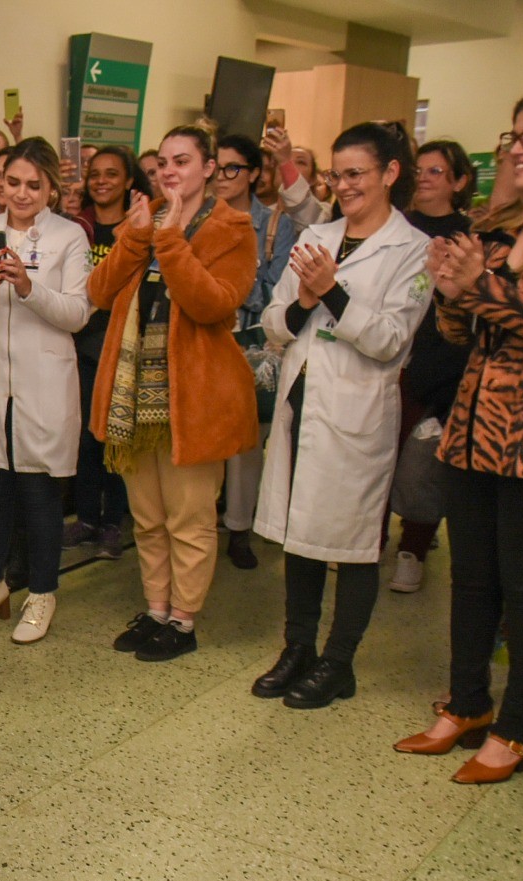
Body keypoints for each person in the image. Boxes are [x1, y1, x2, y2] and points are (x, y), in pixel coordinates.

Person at [251, 122, 431, 709]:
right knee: (300, 534)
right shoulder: (318, 234)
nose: (344, 185)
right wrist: (303, 300)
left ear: (390, 174)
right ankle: (297, 646)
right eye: (337, 174)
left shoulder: (415, 250)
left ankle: (338, 661)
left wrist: (331, 291)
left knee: (352, 542)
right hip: (302, 401)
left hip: (357, 410)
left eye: (356, 174)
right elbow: (274, 324)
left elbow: (389, 340)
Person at [393, 93, 523, 784]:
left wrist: (479, 286)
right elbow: (465, 335)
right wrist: (452, 292)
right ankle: (467, 703)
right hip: (475, 433)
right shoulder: (506, 227)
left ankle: (517, 726)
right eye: (516, 135)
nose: (518, 148)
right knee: (473, 579)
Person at [88, 125, 258, 661]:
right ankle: (156, 609)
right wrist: (138, 235)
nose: (169, 172)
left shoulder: (233, 227)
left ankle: (184, 622)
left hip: (195, 398)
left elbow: (212, 304)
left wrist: (169, 239)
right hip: (134, 391)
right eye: (163, 162)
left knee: (189, 518)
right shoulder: (147, 218)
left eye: (182, 161)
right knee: (149, 516)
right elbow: (98, 291)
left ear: (209, 168)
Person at [0, 139, 92, 641]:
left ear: (52, 187)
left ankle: (42, 594)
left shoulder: (70, 237)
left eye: (34, 184)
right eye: (13, 182)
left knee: (40, 492)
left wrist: (29, 288)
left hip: (44, 380)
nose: (22, 193)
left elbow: (76, 313)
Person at [386, 139, 476, 594]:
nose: (423, 177)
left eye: (436, 171)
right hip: (388, 359)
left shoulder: (469, 238)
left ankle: (413, 550)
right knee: (378, 457)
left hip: (441, 367)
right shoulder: (396, 227)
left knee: (421, 468)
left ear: (459, 181)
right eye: (419, 170)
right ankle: (367, 539)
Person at [216, 133, 300, 572]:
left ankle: (239, 527)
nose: (223, 176)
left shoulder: (273, 223)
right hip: (203, 335)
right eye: (217, 165)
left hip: (248, 337)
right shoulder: (197, 216)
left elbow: (277, 285)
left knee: (247, 440)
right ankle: (203, 517)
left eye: (233, 167)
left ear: (252, 174)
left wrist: (226, 286)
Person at [66, 145, 151, 559]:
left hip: (121, 347)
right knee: (83, 439)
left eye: (111, 174)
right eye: (94, 173)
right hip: (79, 346)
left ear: (129, 180)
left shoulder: (139, 230)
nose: (101, 181)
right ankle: (85, 517)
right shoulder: (75, 227)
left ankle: (113, 522)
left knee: (115, 438)